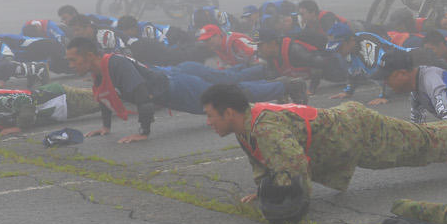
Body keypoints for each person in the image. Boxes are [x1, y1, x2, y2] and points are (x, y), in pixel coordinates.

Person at [199, 83, 447, 222]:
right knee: (422, 142)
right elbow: (266, 161)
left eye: (212, 115)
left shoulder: (264, 126)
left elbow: (293, 168)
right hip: (345, 136)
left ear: (229, 112)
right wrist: (262, 188)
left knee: (424, 145)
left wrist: (288, 202)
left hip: (357, 131)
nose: (210, 122)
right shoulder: (246, 126)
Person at [63, 36, 294, 144]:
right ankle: (275, 81)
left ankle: (285, 85)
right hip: (173, 83)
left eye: (73, 60)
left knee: (233, 98)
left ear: (90, 56)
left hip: (179, 87)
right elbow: (104, 96)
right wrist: (105, 127)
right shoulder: (99, 70)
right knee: (232, 86)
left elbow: (144, 98)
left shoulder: (115, 64)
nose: (71, 66)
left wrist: (143, 133)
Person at [0, 83, 98, 134]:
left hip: (62, 100)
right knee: (108, 100)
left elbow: (26, 100)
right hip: (61, 107)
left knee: (109, 98)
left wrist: (19, 127)